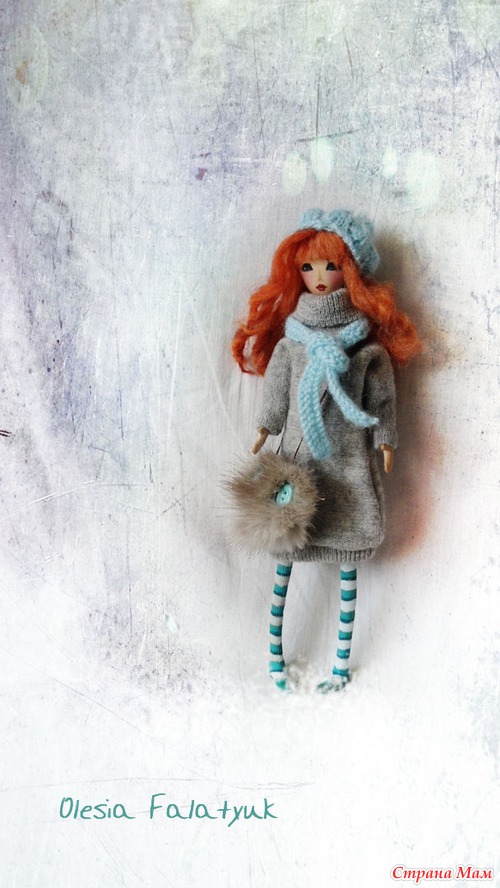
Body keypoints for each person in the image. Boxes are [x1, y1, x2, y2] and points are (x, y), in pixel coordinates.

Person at [232, 209, 421, 692]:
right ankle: (274, 657)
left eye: (329, 266)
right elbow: (277, 389)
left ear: (350, 271)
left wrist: (385, 439)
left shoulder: (365, 349)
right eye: (307, 267)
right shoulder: (292, 342)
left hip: (348, 464)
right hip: (298, 465)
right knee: (284, 558)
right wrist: (266, 427)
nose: (318, 277)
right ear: (294, 272)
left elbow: (381, 398)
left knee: (348, 566)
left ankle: (340, 666)